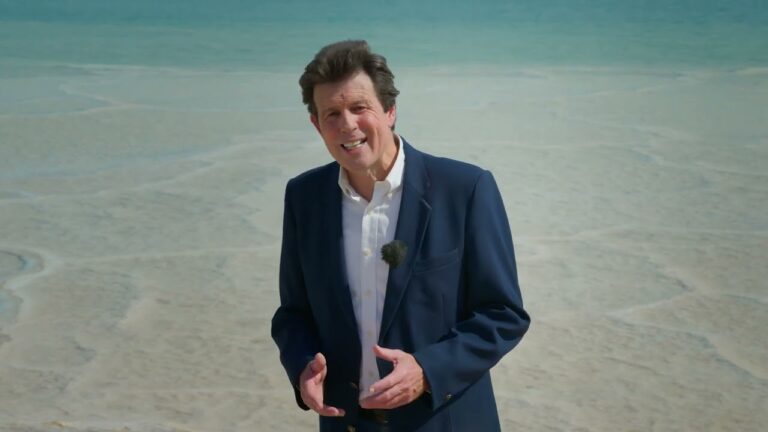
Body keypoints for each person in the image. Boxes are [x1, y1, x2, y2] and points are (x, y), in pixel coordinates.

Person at [271, 40, 530, 432]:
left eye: (360, 107)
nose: (347, 124)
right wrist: (303, 365)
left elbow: (504, 314)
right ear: (316, 124)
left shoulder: (465, 189)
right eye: (332, 114)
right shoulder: (303, 197)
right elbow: (293, 313)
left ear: (390, 111)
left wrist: (427, 370)